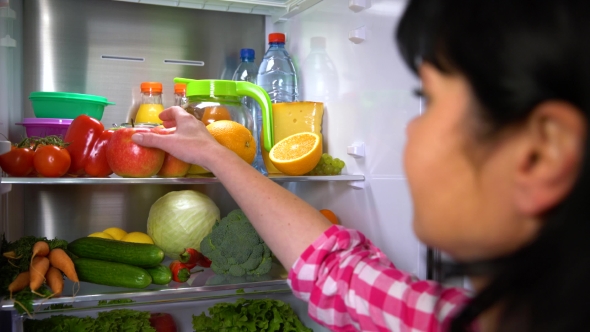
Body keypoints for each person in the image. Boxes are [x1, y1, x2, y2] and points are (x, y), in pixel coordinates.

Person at [132, 0, 590, 330]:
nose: (409, 130)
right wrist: (213, 152)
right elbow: (334, 271)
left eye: (428, 101)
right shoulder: (441, 317)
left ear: (540, 154)